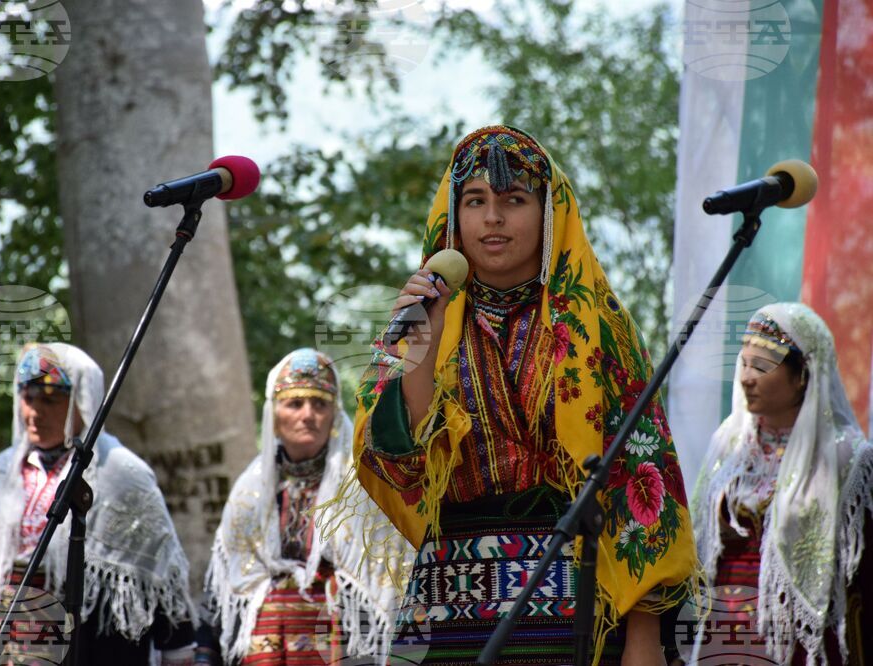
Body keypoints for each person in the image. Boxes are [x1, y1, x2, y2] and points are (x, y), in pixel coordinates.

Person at [351, 125, 698, 665]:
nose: (492, 217)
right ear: (452, 216)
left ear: (550, 215)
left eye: (514, 200)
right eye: (475, 201)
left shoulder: (598, 322)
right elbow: (394, 460)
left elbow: (642, 480)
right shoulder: (418, 315)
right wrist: (420, 349)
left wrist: (644, 640)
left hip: (580, 611)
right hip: (452, 610)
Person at [0, 342, 197, 665]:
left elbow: (158, 572)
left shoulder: (120, 473)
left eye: (50, 399)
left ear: (83, 401)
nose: (34, 411)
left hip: (86, 642)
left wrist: (177, 646)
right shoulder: (2, 470)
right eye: (27, 397)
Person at [197, 348, 413, 665]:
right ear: (274, 413)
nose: (307, 415)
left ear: (335, 416)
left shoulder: (363, 487)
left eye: (320, 404)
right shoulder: (249, 491)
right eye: (295, 403)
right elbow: (224, 589)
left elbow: (387, 587)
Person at [693, 303, 873, 665]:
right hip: (724, 639)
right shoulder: (728, 448)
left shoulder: (846, 459)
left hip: (801, 647)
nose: (746, 377)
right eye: (743, 363)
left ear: (803, 374)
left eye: (761, 366)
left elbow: (863, 580)